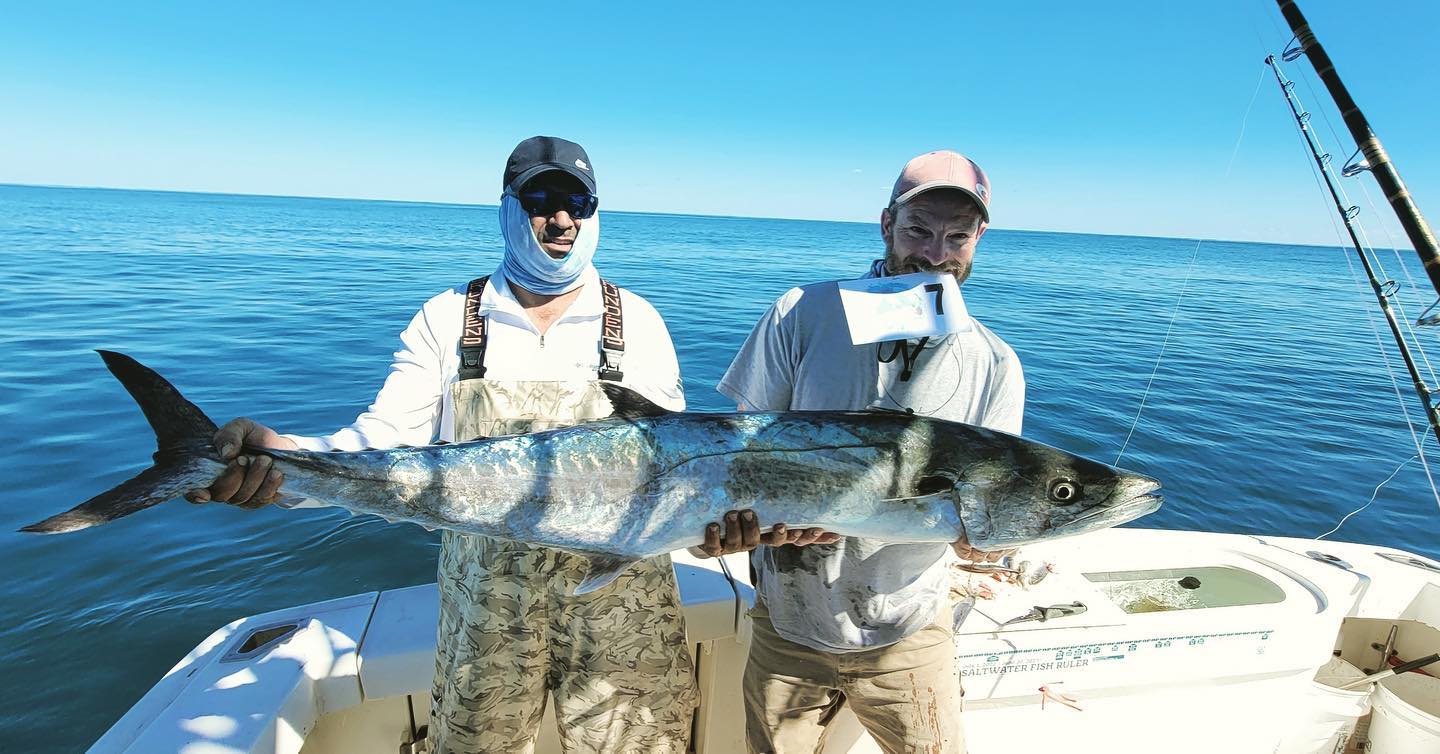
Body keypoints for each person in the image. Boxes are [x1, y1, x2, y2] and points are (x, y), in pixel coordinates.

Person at [186, 136, 700, 753]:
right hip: (487, 612)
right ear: (508, 209)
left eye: (578, 203)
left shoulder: (638, 320)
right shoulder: (449, 317)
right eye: (540, 199)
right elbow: (383, 440)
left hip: (624, 604)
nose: (561, 219)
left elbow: (682, 467)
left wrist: (720, 526)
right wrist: (283, 458)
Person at [714, 150, 1025, 753]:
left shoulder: (995, 363)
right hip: (789, 622)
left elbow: (994, 502)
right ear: (886, 224)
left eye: (957, 237)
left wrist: (986, 538)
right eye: (918, 230)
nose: (935, 254)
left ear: (979, 240)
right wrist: (757, 523)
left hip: (909, 631)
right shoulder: (802, 313)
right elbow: (739, 453)